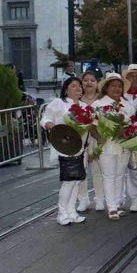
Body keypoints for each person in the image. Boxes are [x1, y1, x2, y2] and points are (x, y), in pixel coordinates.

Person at [41, 77, 88, 225]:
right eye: (74, 86)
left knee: (75, 181)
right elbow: (45, 119)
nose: (78, 88)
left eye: (79, 86)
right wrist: (52, 127)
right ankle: (62, 213)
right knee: (68, 181)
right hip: (64, 147)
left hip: (79, 148)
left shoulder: (85, 106)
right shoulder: (59, 103)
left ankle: (71, 212)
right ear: (66, 89)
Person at [94, 72, 135, 220]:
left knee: (120, 175)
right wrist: (99, 138)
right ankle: (111, 207)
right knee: (109, 176)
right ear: (106, 88)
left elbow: (133, 124)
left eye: (119, 86)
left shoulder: (127, 104)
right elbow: (92, 125)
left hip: (124, 145)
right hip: (107, 145)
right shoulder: (98, 104)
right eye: (113, 86)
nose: (116, 89)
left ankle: (117, 204)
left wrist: (128, 134)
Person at [76, 71, 105, 212]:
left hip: (97, 138)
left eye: (92, 80)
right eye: (85, 80)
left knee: (97, 169)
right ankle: (83, 199)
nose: (88, 83)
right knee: (81, 169)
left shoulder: (103, 100)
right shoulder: (76, 100)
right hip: (80, 139)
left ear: (97, 83)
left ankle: (99, 199)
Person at [122, 64, 137, 213]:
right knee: (130, 168)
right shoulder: (121, 95)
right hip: (124, 136)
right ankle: (135, 199)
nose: (135, 79)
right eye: (131, 76)